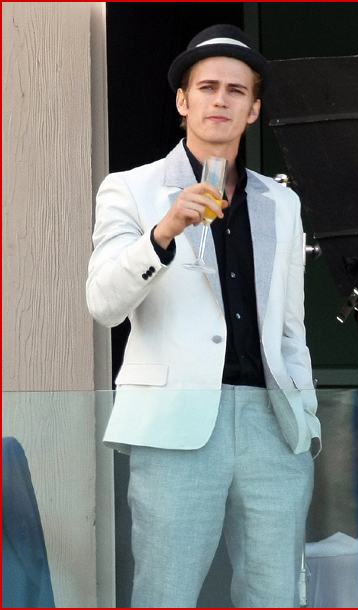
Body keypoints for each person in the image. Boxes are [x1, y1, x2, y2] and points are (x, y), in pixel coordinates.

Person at [87, 23, 321, 608]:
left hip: (272, 423)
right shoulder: (131, 189)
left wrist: (306, 418)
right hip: (176, 423)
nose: (221, 100)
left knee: (276, 594)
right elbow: (103, 304)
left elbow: (290, 327)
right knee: (165, 593)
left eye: (236, 90)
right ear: (182, 101)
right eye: (208, 87)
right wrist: (163, 233)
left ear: (253, 110)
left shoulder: (281, 202)